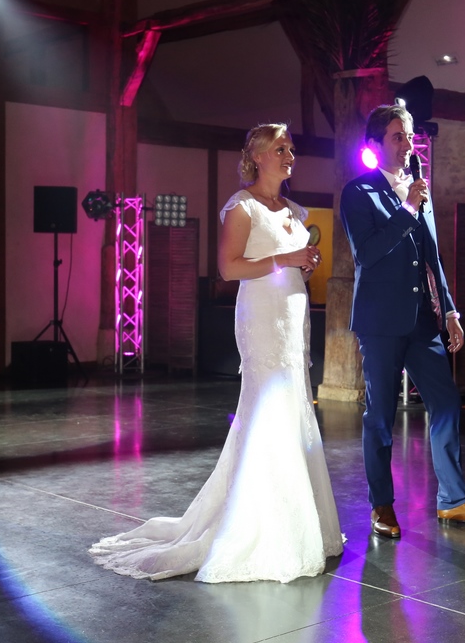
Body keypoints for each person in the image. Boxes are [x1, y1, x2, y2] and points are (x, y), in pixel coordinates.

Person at [89, 123, 343, 582]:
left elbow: (290, 265)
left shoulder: (293, 211)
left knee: (293, 408)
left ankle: (296, 521)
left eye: (291, 149)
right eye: (280, 149)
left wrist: (304, 264)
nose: (289, 155)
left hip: (292, 317)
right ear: (258, 157)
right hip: (262, 319)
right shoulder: (242, 206)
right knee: (266, 410)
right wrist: (285, 260)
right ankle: (254, 526)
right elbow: (228, 267)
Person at [340, 104, 465, 539]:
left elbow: (433, 256)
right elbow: (367, 254)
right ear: (375, 144)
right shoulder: (358, 192)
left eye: (410, 136)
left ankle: (453, 501)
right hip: (380, 322)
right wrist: (408, 209)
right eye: (398, 136)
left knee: (447, 402)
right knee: (380, 415)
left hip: (421, 321)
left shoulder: (419, 189)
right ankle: (382, 505)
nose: (407, 143)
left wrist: (449, 311)